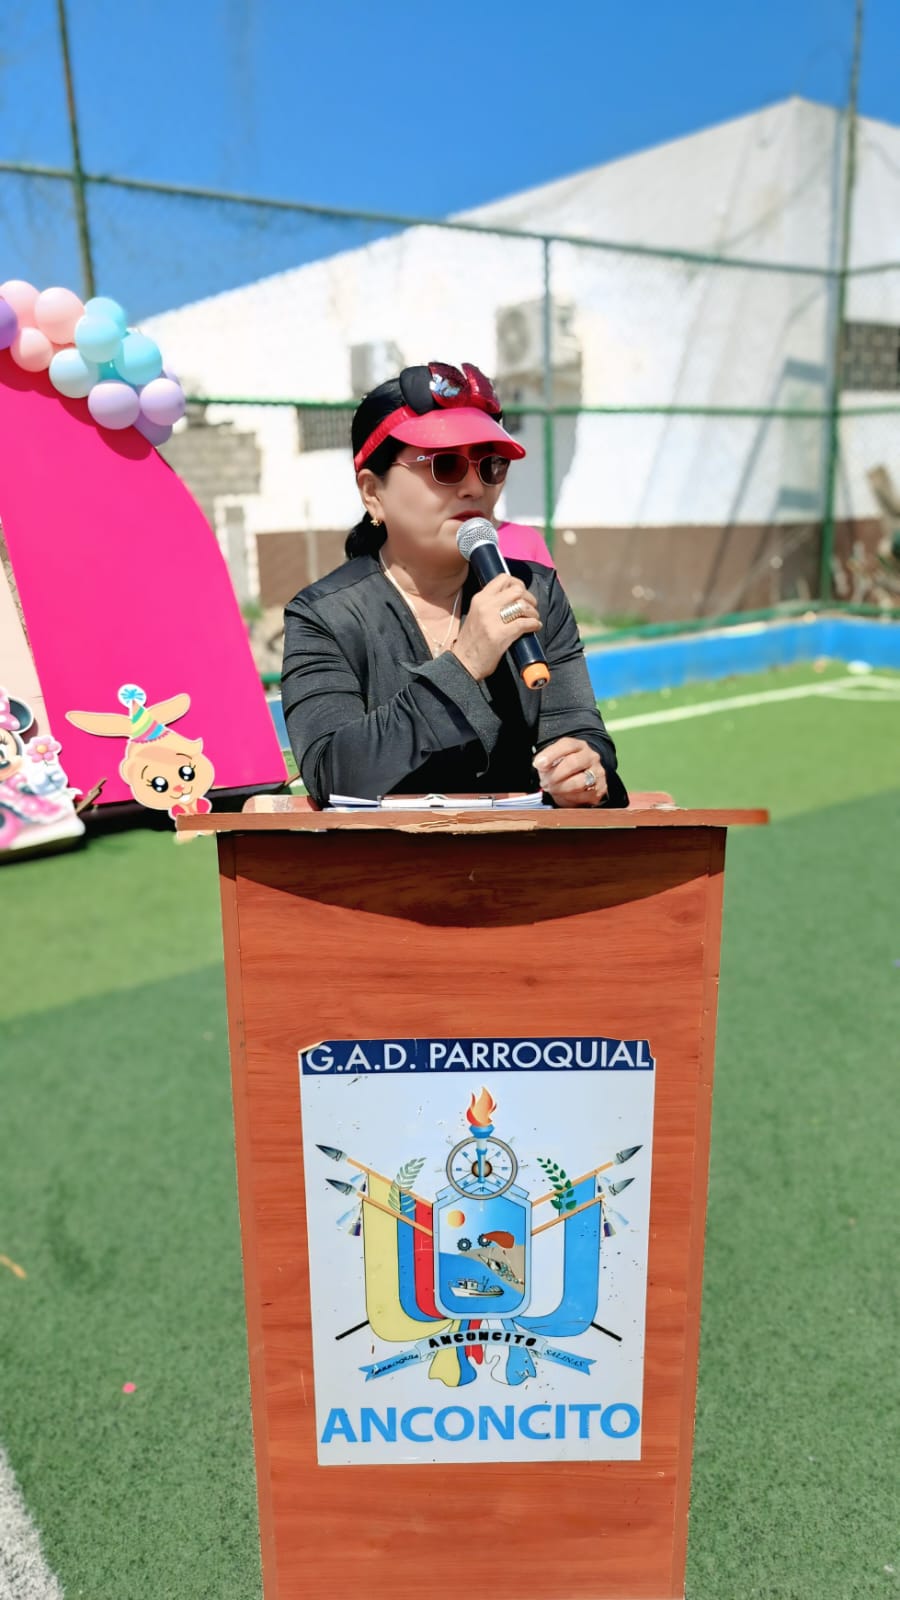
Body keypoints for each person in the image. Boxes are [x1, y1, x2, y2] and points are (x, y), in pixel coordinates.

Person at [281, 361, 626, 808]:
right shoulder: (324, 615)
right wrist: (463, 665)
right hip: (382, 853)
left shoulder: (534, 590)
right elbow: (332, 775)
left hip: (522, 848)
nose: (474, 488)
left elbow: (580, 731)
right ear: (372, 492)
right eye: (445, 465)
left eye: (490, 466)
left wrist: (585, 769)